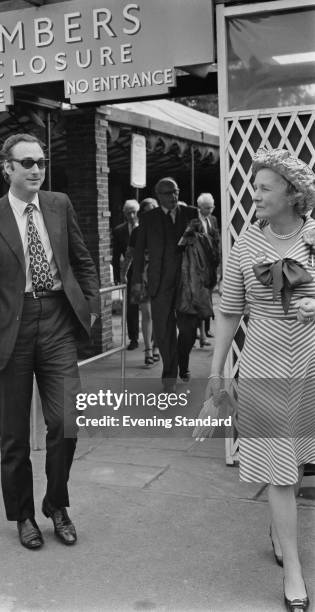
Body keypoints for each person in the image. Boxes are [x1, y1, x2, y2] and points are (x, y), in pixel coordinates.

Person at [0, 133, 99, 550]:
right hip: (11, 329)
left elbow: (82, 259)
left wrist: (90, 306)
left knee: (65, 422)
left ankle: (56, 505)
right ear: (8, 168)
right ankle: (22, 514)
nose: (36, 169)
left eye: (40, 161)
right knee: (14, 434)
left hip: (57, 319)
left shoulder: (59, 205)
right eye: (27, 162)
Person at [204, 148, 314, 612]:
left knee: (296, 462)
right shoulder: (247, 244)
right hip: (263, 368)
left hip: (310, 365)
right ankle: (293, 569)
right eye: (256, 186)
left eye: (265, 187)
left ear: (293, 194)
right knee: (280, 469)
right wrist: (216, 373)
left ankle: (278, 529)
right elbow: (229, 312)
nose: (256, 194)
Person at [132, 177, 199, 391]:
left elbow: (202, 243)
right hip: (158, 284)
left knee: (188, 329)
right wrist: (136, 282)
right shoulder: (148, 218)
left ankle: (182, 361)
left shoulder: (190, 213)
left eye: (176, 191)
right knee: (164, 331)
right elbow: (139, 253)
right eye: (168, 193)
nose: (173, 197)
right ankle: (169, 376)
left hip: (185, 282)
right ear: (159, 195)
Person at [127, 197, 160, 366]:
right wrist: (123, 273)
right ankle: (148, 350)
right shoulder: (137, 232)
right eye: (148, 211)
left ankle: (156, 347)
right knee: (147, 314)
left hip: (159, 276)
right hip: (141, 276)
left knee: (157, 314)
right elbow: (129, 255)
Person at [112, 199, 140, 350]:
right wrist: (117, 276)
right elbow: (116, 254)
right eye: (128, 212)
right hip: (130, 273)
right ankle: (134, 338)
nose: (131, 215)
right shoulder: (119, 230)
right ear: (124, 214)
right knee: (131, 307)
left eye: (134, 212)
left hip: (146, 270)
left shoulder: (144, 227)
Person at [196, 192, 220, 346]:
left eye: (211, 208)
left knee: (209, 298)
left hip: (211, 264)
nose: (210, 211)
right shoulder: (195, 220)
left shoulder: (213, 219)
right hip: (198, 264)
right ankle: (201, 332)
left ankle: (207, 328)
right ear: (200, 207)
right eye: (206, 208)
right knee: (201, 298)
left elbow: (216, 239)